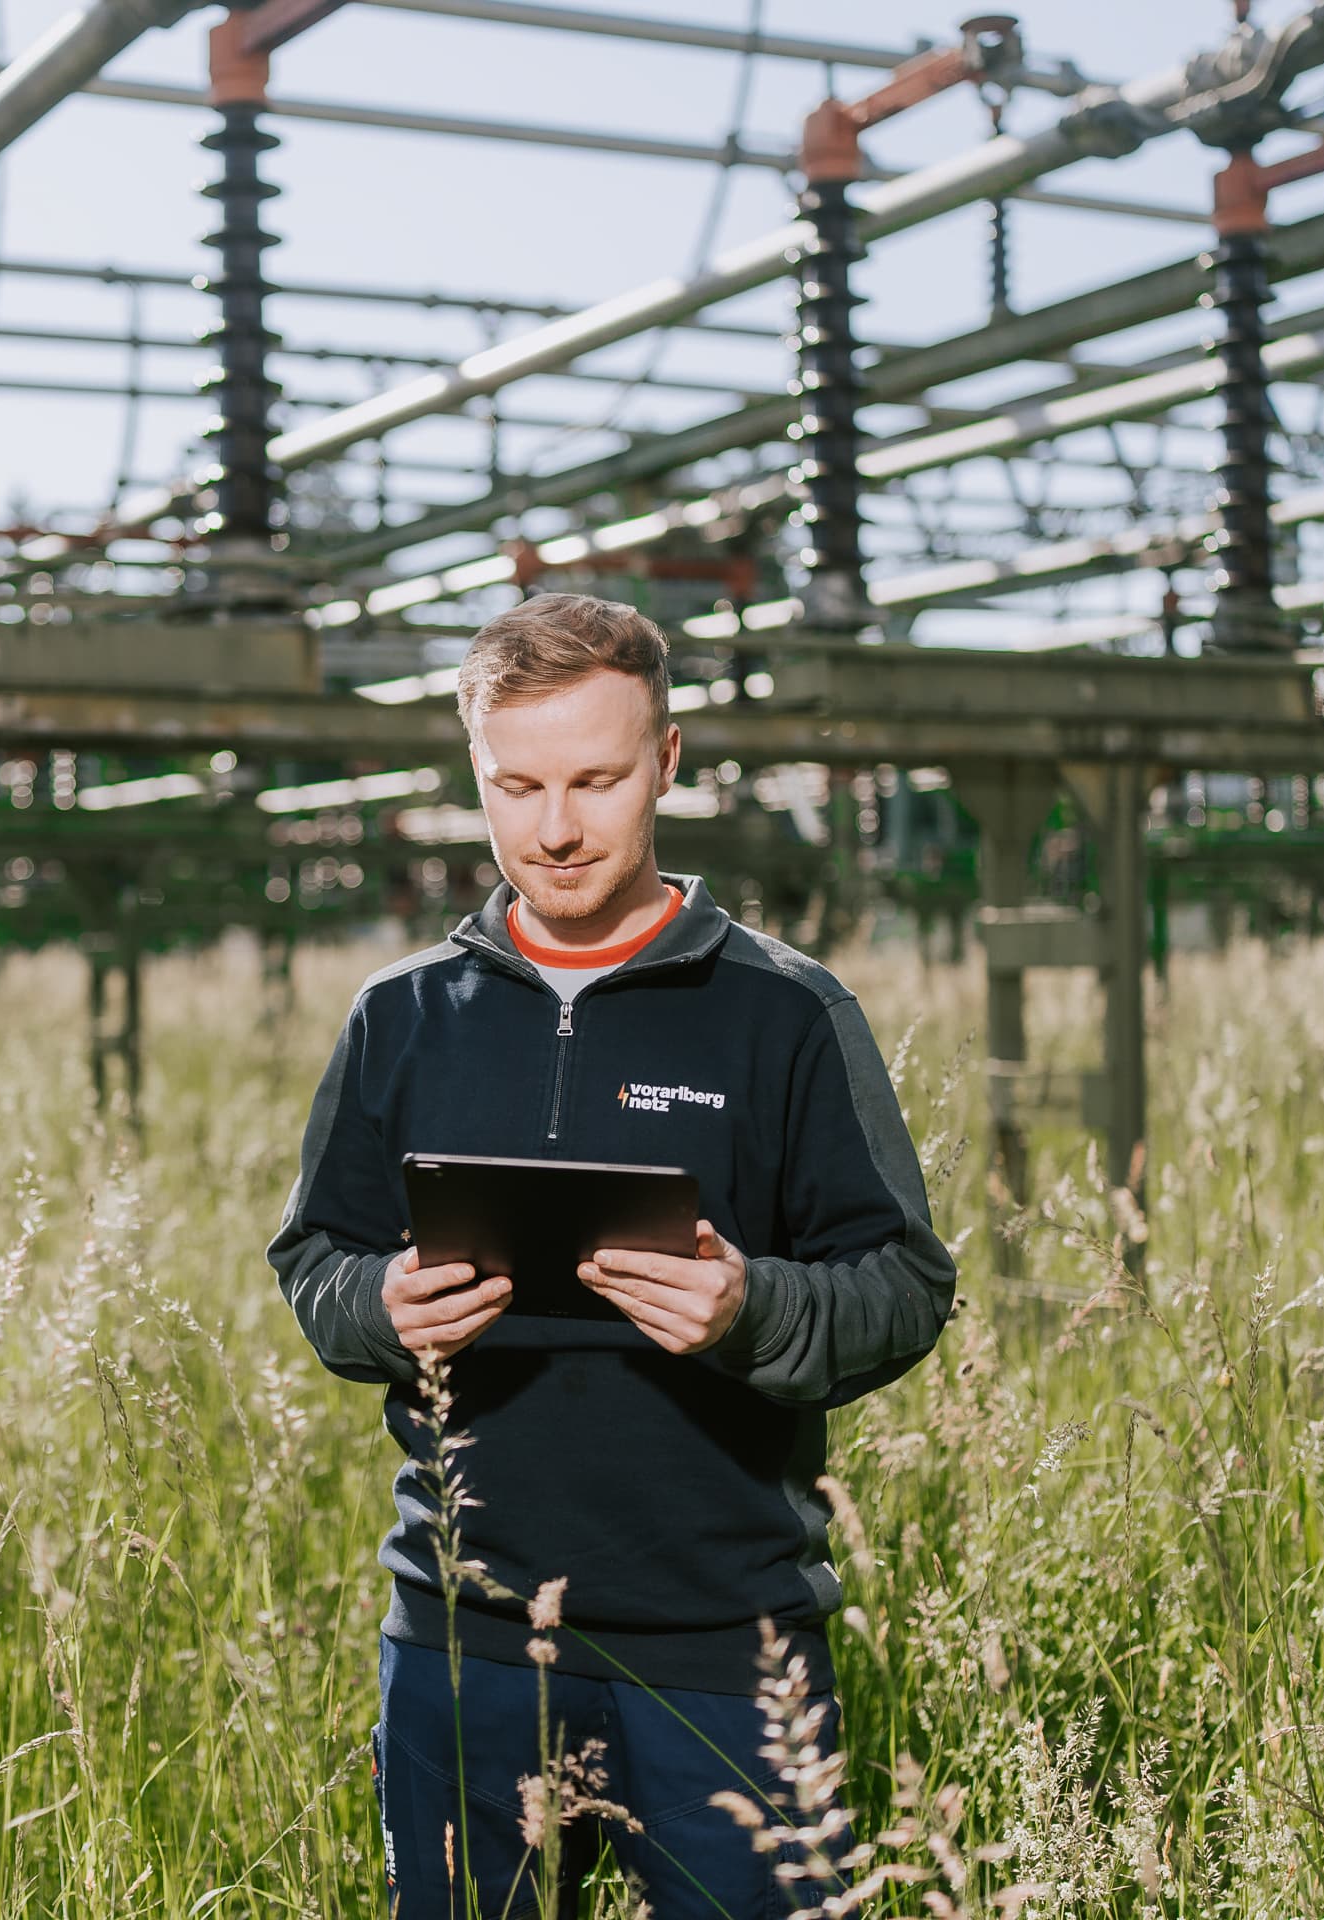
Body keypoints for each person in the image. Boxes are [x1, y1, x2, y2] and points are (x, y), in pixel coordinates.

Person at [267, 593, 957, 1918]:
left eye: (597, 778)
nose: (556, 827)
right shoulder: (404, 1014)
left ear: (671, 762)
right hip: (461, 1641)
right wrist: (385, 1305)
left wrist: (753, 1310)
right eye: (514, 786)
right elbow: (315, 1259)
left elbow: (904, 1285)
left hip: (722, 1648)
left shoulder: (786, 1013)